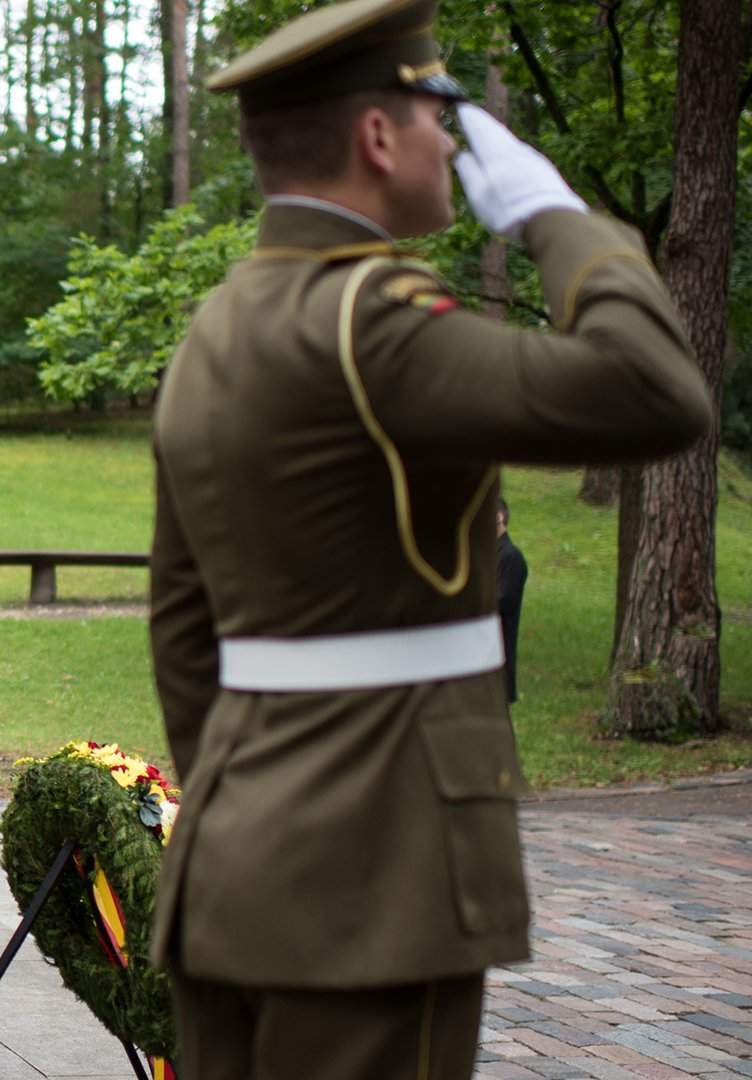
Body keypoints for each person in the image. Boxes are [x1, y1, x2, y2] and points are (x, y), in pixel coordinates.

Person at [148, 0, 711, 1076]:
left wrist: (258, 807)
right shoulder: (375, 320)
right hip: (375, 876)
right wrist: (559, 219)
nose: (450, 142)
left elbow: (183, 629)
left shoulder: (220, 326)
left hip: (236, 859)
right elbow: (654, 390)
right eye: (436, 115)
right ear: (376, 137)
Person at [497, 499, 528, 704]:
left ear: (499, 517)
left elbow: (505, 601)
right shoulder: (486, 554)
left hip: (498, 647)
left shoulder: (511, 557)